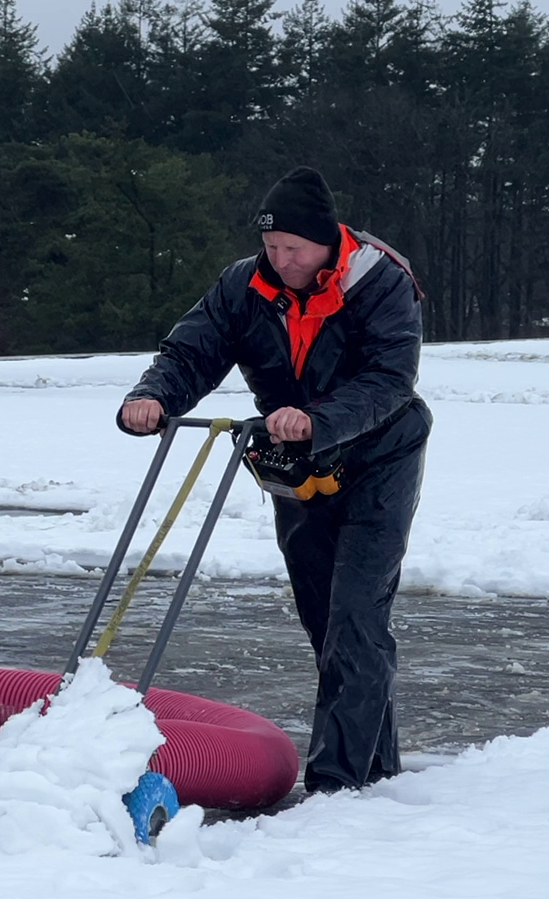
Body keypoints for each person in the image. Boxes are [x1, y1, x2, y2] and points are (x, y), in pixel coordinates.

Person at [117, 166, 430, 793]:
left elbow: (389, 380)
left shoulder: (379, 283)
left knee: (356, 616)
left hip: (379, 455)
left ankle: (338, 783)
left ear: (327, 241)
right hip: (297, 463)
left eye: (294, 248)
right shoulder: (244, 285)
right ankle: (376, 767)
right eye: (271, 246)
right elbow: (193, 350)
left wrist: (316, 419)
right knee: (323, 620)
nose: (281, 259)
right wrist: (152, 397)